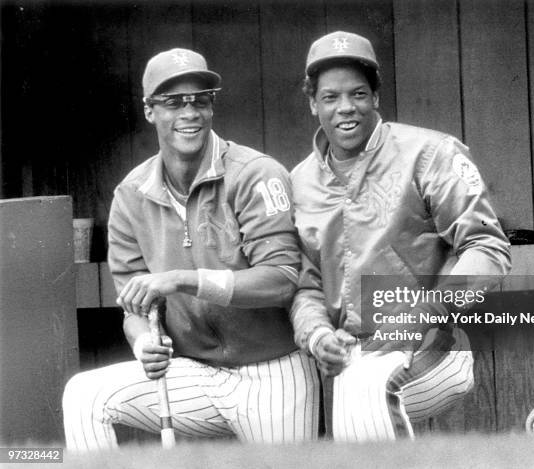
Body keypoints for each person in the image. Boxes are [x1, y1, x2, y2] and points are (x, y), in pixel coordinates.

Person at [62, 48, 319, 451]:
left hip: (272, 371)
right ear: (149, 111)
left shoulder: (254, 173)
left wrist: (181, 280)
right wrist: (142, 342)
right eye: (172, 102)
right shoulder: (131, 194)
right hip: (194, 374)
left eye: (200, 100)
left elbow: (282, 280)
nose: (189, 112)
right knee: (85, 395)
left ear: (212, 107)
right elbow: (134, 307)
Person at [290, 31, 511, 442]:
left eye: (357, 94)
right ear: (312, 104)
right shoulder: (300, 181)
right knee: (337, 415)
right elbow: (306, 285)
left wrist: (424, 312)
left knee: (366, 392)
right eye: (330, 98)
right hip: (351, 352)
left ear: (375, 96)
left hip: (434, 340)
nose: (345, 109)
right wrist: (317, 335)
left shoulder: (429, 153)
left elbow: (488, 247)